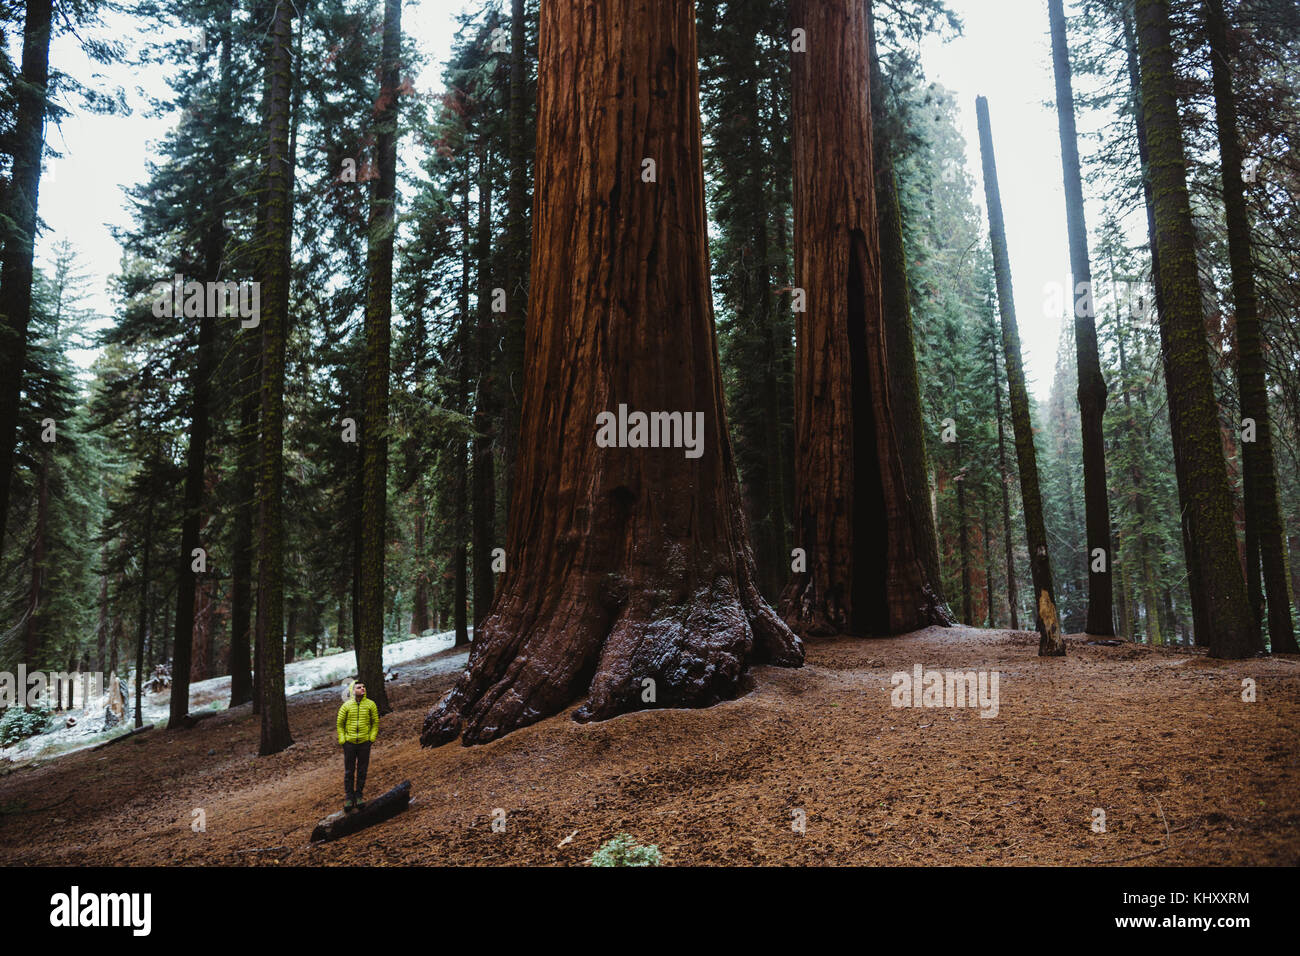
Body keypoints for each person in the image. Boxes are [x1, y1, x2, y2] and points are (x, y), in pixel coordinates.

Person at [336, 680, 379, 812]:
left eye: (364, 687)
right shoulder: (346, 706)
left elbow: (375, 723)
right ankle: (349, 798)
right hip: (349, 744)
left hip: (364, 743)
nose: (363, 689)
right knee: (349, 772)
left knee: (362, 770)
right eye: (359, 687)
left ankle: (359, 795)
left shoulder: (370, 704)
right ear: (352, 690)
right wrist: (343, 739)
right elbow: (340, 724)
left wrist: (371, 738)